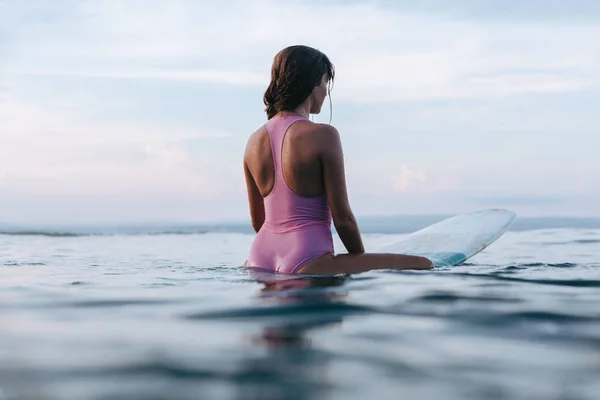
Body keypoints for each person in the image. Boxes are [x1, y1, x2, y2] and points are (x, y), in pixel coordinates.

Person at [243, 45, 433, 274]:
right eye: (325, 83)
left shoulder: (253, 142)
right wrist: (360, 263)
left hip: (259, 257)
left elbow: (258, 222)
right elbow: (343, 219)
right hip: (307, 257)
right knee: (424, 264)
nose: (326, 92)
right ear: (313, 83)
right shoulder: (323, 135)